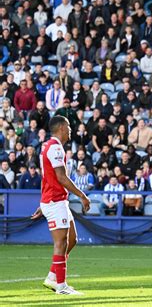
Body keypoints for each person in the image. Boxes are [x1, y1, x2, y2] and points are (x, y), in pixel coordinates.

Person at [31, 115, 90, 294]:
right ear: (62, 128)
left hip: (55, 200)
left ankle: (52, 277)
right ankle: (61, 286)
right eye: (69, 126)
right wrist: (82, 195)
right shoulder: (55, 148)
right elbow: (61, 177)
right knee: (61, 242)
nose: (71, 129)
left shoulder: (48, 147)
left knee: (72, 240)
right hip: (55, 201)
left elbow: (48, 178)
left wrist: (43, 203)